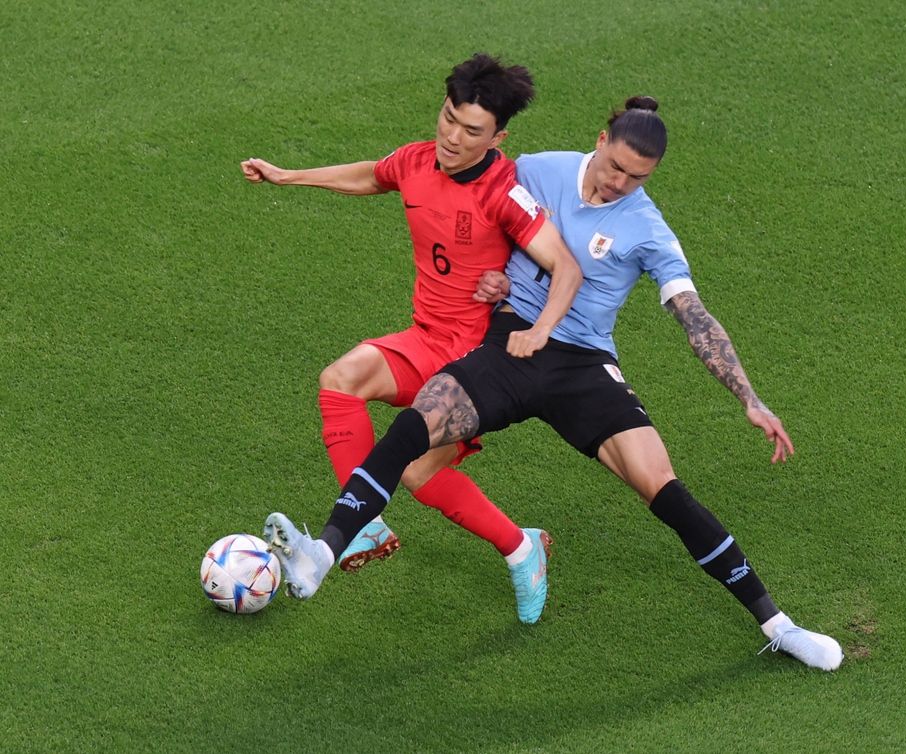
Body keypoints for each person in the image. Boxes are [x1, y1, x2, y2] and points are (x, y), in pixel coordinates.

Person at [263, 97, 843, 671]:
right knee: (414, 427)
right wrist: (489, 280)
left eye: (637, 177)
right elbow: (482, 215)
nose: (620, 183)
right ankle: (324, 551)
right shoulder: (538, 170)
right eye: (615, 166)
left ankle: (778, 625)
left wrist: (749, 397)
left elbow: (694, 317)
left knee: (663, 489)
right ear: (599, 140)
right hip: (509, 345)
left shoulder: (648, 229)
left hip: (582, 366)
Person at [241, 54, 581, 575]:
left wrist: (538, 328)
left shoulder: (502, 193)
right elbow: (370, 176)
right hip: (427, 338)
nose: (451, 136)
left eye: (471, 130)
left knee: (419, 474)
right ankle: (365, 528)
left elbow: (565, 266)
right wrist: (287, 177)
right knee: (339, 379)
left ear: (498, 138)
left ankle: (520, 548)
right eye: (448, 116)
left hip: (475, 364)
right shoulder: (418, 161)